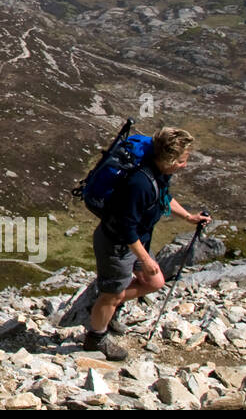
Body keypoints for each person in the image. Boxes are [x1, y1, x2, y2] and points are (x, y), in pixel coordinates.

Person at [84, 126, 209, 360]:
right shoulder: (139, 183)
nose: (184, 165)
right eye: (182, 160)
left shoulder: (158, 173)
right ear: (169, 159)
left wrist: (189, 217)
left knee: (154, 281)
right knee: (114, 293)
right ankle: (96, 336)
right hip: (117, 245)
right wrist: (144, 259)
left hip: (135, 242)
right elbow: (126, 227)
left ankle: (106, 305)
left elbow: (164, 197)